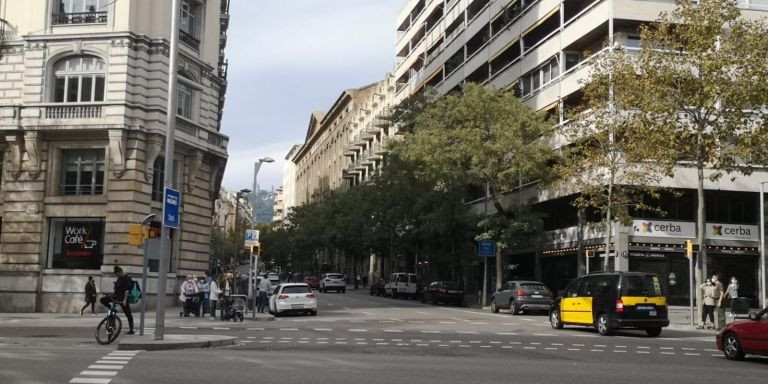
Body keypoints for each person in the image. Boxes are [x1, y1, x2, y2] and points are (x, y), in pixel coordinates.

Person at [99, 266, 135, 335]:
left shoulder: (127, 279)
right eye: (116, 274)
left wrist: (124, 300)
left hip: (122, 299)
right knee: (102, 299)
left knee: (128, 314)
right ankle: (112, 311)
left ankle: (131, 330)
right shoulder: (119, 278)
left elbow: (127, 291)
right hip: (115, 297)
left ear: (120, 272)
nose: (117, 275)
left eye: (117, 274)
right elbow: (117, 289)